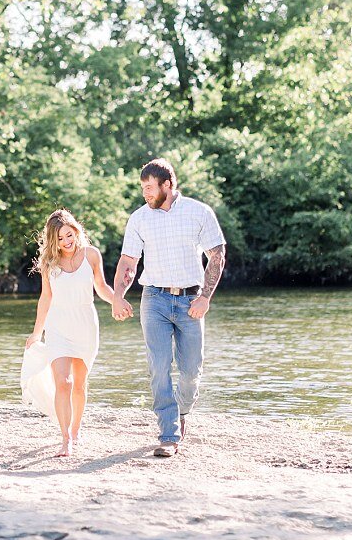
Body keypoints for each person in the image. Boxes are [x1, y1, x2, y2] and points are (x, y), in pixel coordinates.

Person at [109, 158, 226, 458]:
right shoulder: (139, 218)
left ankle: (182, 411)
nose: (145, 193)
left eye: (150, 187)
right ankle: (168, 434)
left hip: (191, 301)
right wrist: (118, 296)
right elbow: (128, 262)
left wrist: (205, 298)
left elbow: (217, 255)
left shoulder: (199, 212)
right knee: (159, 368)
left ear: (167, 185)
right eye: (143, 188)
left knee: (190, 372)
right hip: (155, 300)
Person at [20, 209, 116, 457]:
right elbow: (46, 297)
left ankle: (75, 429)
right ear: (53, 241)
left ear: (76, 231)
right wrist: (36, 332)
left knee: (80, 385)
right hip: (58, 326)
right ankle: (66, 439)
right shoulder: (49, 263)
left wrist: (117, 301)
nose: (66, 242)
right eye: (60, 239)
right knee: (64, 382)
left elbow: (102, 287)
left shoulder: (91, 255)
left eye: (68, 235)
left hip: (85, 325)